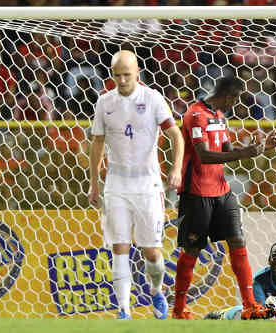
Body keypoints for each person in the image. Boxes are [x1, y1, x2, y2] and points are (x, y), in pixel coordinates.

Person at [173, 75, 276, 320]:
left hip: (221, 192)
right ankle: (179, 309)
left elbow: (228, 151)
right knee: (191, 250)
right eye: (236, 98)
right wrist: (245, 153)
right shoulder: (195, 115)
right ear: (229, 95)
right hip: (196, 192)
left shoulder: (221, 118)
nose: (235, 104)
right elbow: (204, 156)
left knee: (237, 241)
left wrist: (261, 148)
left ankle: (250, 305)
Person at [88, 50, 184, 320]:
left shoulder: (152, 99)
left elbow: (176, 135)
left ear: (138, 72)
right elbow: (97, 143)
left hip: (147, 184)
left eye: (127, 75)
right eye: (117, 75)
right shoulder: (105, 102)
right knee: (119, 246)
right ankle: (123, 310)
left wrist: (175, 169)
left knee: (152, 252)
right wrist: (94, 183)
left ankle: (156, 291)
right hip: (116, 184)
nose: (121, 80)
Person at [204, 241, 276, 321]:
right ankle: (222, 315)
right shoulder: (259, 280)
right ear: (269, 260)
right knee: (244, 313)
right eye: (275, 257)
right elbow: (259, 315)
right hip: (270, 316)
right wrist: (275, 316)